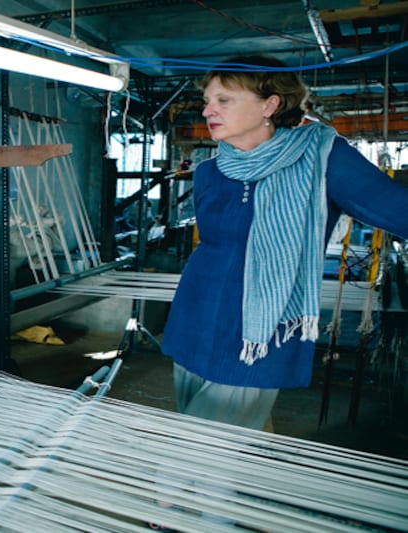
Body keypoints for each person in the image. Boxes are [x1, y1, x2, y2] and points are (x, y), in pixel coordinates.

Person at [161, 55, 408, 431]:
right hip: (196, 317)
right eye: (207, 100)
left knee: (202, 448)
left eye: (223, 100)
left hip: (259, 329)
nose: (208, 110)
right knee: (194, 431)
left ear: (270, 105)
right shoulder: (210, 171)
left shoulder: (322, 160)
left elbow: (397, 210)